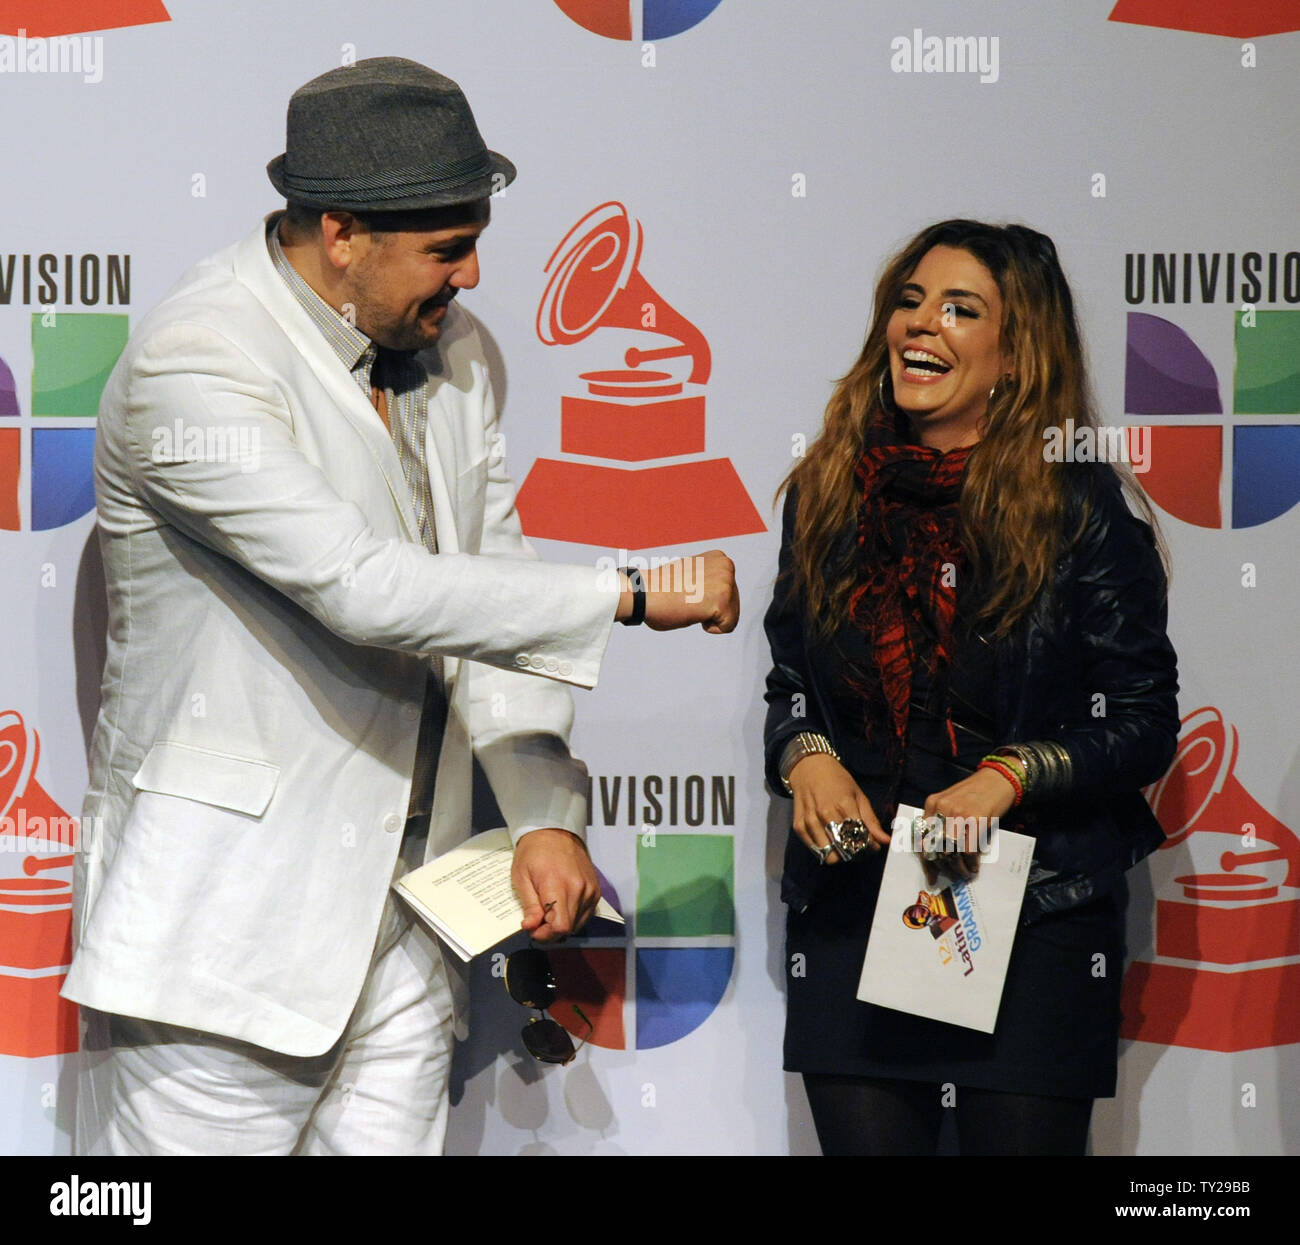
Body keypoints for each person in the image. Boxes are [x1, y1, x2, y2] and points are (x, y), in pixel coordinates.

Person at [65, 57, 738, 1156]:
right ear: (339, 233)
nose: (471, 273)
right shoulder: (197, 361)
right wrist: (629, 592)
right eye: (444, 248)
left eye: (474, 238)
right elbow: (362, 587)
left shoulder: (456, 352)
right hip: (226, 939)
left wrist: (542, 811)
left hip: (413, 927)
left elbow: (491, 583)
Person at [763, 219, 1178, 1156]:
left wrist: (1010, 775)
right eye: (909, 302)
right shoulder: (826, 490)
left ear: (1016, 351)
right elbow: (789, 679)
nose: (922, 326)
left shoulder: (1079, 505)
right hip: (860, 901)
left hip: (1033, 913)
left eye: (960, 309)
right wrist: (807, 758)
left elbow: (1145, 722)